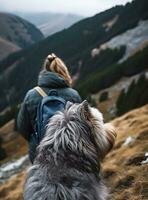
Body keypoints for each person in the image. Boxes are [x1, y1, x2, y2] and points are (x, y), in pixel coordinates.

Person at [17, 53, 82, 162]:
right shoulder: (73, 95)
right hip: (69, 152)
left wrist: (38, 140)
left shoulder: (31, 95)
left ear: (44, 72)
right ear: (64, 72)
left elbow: (23, 128)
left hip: (40, 154)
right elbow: (82, 125)